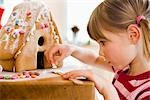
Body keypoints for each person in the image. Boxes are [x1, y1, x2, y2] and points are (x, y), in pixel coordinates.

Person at [45, 0, 150, 99]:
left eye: (103, 42)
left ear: (133, 35)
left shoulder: (147, 91)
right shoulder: (125, 68)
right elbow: (95, 59)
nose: (100, 52)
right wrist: (72, 49)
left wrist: (107, 89)